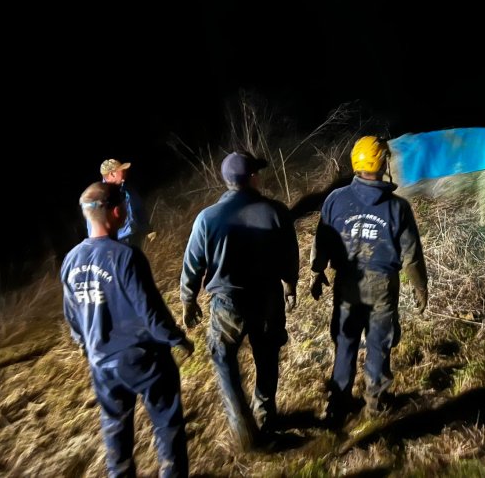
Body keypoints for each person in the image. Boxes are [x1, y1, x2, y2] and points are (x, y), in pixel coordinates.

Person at [61, 181, 193, 477]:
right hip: (143, 360)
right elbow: (150, 311)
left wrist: (86, 345)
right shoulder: (125, 257)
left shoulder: (70, 261)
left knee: (115, 432)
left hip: (102, 364)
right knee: (167, 425)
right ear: (117, 212)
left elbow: (72, 317)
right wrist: (177, 339)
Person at [180, 151, 300, 450]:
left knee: (224, 362)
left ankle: (243, 430)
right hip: (268, 298)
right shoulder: (276, 211)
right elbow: (289, 255)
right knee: (267, 357)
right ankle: (265, 416)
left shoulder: (207, 218)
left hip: (227, 304)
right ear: (252, 178)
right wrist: (290, 284)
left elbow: (193, 264)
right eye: (257, 173)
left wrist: (188, 299)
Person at [309, 135, 428, 424]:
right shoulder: (397, 207)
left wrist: (317, 270)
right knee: (378, 343)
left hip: (347, 283)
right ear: (383, 163)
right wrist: (421, 287)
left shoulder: (335, 200)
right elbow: (411, 255)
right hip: (382, 285)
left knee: (345, 340)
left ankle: (338, 403)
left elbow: (322, 239)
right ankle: (376, 403)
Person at [86, 158, 152, 250]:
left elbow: (139, 209)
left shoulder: (127, 190)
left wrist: (147, 229)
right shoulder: (97, 198)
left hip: (134, 239)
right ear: (112, 174)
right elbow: (93, 230)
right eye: (122, 171)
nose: (125, 173)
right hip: (114, 245)